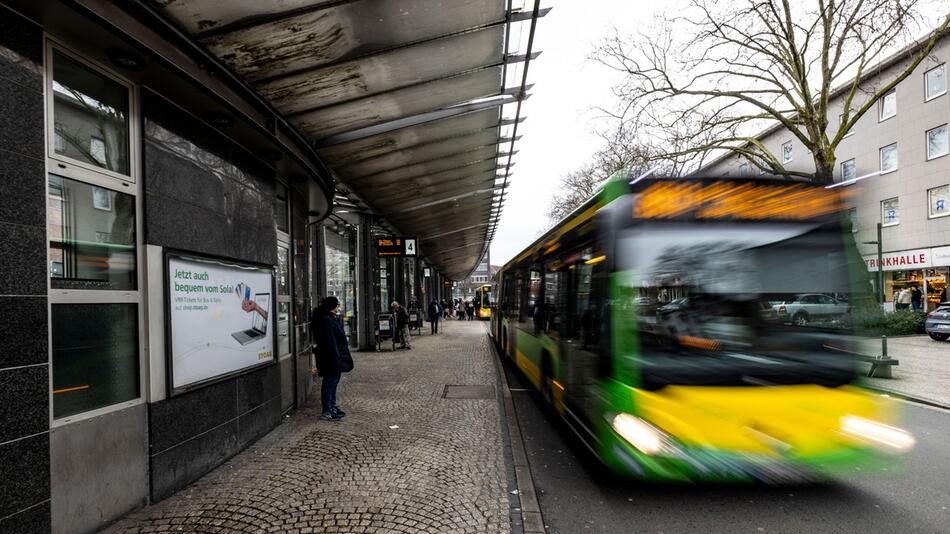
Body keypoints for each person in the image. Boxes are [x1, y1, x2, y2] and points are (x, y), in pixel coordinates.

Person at [311, 296, 353, 421]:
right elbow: (331, 342)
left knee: (333, 381)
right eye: (337, 305)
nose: (338, 307)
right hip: (331, 357)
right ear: (333, 306)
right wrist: (336, 358)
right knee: (330, 382)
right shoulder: (327, 320)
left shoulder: (327, 318)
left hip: (332, 356)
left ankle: (332, 407)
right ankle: (327, 410)